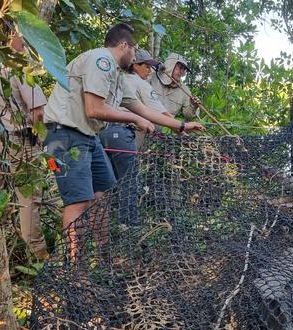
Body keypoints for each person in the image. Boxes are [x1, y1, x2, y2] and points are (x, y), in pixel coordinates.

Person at [43, 23, 192, 257]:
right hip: (65, 135)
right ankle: (74, 271)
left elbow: (140, 107)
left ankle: (104, 258)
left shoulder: (118, 76)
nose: (134, 55)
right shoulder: (100, 60)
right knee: (78, 202)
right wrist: (133, 119)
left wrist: (181, 125)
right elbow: (94, 108)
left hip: (89, 137)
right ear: (124, 46)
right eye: (134, 50)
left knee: (103, 193)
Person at [98, 49, 204, 224]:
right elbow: (157, 112)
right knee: (131, 183)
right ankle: (128, 227)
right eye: (146, 66)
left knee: (108, 181)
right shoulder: (145, 83)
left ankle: (105, 227)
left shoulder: (121, 79)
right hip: (125, 136)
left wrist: (190, 113)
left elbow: (187, 113)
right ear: (136, 65)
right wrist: (183, 128)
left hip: (106, 133)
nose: (149, 71)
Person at [0, 31, 49, 260]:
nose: (26, 42)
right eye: (21, 36)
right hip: (20, 140)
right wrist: (39, 136)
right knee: (29, 197)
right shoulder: (19, 65)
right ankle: (36, 253)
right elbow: (38, 111)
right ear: (11, 36)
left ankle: (3, 250)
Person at [148, 52, 201, 119]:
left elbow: (188, 115)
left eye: (184, 69)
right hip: (142, 125)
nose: (182, 72)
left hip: (164, 127)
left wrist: (194, 106)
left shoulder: (184, 90)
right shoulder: (152, 77)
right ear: (170, 65)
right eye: (180, 68)